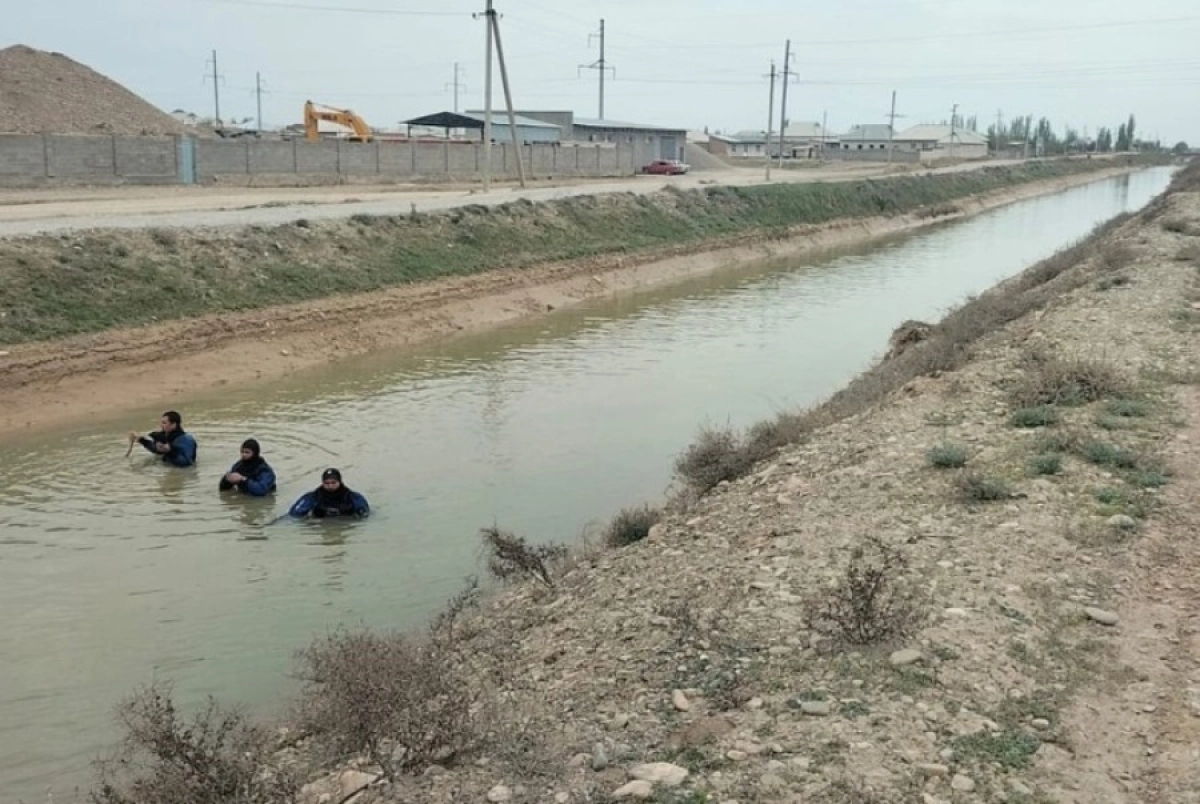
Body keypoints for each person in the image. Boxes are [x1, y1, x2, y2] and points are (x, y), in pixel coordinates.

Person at [288, 468, 370, 519]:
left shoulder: (353, 497)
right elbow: (294, 515)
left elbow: (365, 515)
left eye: (333, 482)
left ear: (340, 482)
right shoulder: (313, 497)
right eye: (327, 483)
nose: (330, 486)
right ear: (322, 483)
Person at [128, 411, 197, 468]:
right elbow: (156, 449)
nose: (161, 425)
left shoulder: (186, 440)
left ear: (173, 425)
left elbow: (186, 463)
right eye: (161, 423)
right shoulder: (166, 436)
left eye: (164, 423)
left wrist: (169, 451)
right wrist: (141, 440)